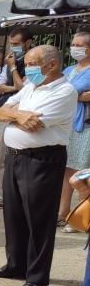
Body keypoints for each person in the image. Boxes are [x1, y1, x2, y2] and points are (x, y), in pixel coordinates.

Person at [0, 45, 77, 286]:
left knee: (38, 218)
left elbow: (34, 124)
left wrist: (14, 114)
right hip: (15, 157)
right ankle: (16, 265)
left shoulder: (65, 91)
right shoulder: (30, 87)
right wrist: (17, 114)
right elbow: (0, 111)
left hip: (42, 159)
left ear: (52, 65)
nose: (28, 68)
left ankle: (37, 277)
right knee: (14, 215)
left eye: (33, 63)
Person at [0, 27, 33, 209]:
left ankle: (2, 197)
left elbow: (23, 87)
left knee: (7, 158)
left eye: (16, 44)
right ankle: (0, 195)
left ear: (28, 43)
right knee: (3, 158)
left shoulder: (29, 63)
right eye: (11, 43)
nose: (13, 47)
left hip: (19, 113)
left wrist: (12, 70)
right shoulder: (13, 60)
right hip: (6, 111)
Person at [59, 31, 90, 230]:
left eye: (79, 45)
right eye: (73, 44)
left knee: (80, 172)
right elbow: (60, 91)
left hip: (85, 126)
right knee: (66, 171)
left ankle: (80, 215)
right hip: (67, 124)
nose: (74, 48)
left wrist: (71, 95)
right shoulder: (69, 69)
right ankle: (63, 213)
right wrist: (77, 96)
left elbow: (66, 92)